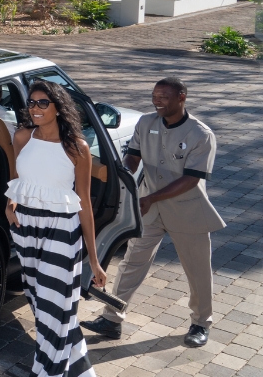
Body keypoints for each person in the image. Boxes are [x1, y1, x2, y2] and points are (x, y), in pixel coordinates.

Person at [82, 77, 222, 347]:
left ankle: (201, 323)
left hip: (187, 211)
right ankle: (112, 318)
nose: (157, 101)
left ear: (182, 97)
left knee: (198, 270)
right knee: (132, 261)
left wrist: (150, 197)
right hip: (148, 206)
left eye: (164, 97)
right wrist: (124, 176)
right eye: (155, 95)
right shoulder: (146, 123)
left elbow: (191, 179)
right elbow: (133, 156)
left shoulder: (200, 134)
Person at [6, 81, 104, 377]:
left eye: (42, 103)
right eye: (31, 104)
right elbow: (15, 180)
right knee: (38, 299)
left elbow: (84, 202)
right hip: (26, 227)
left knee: (56, 303)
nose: (34, 109)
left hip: (61, 228)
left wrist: (94, 259)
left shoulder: (76, 148)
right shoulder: (23, 136)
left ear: (58, 108)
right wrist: (7, 206)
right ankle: (80, 370)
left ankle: (48, 372)